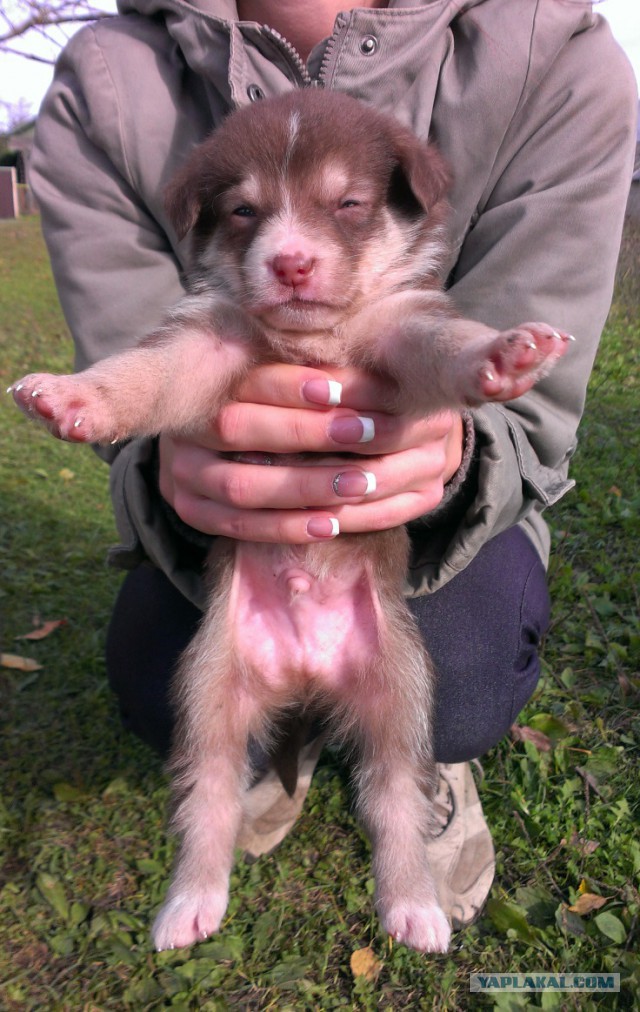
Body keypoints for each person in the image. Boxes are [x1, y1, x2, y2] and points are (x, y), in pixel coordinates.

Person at [29, 0, 637, 931]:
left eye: (345, 207)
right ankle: (202, 874)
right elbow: (169, 371)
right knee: (196, 712)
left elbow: (428, 344)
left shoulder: (549, 53)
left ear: (404, 201)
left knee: (407, 735)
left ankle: (403, 872)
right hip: (244, 593)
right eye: (247, 216)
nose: (291, 252)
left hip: (370, 593)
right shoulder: (115, 88)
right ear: (213, 219)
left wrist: (480, 370)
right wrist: (109, 405)